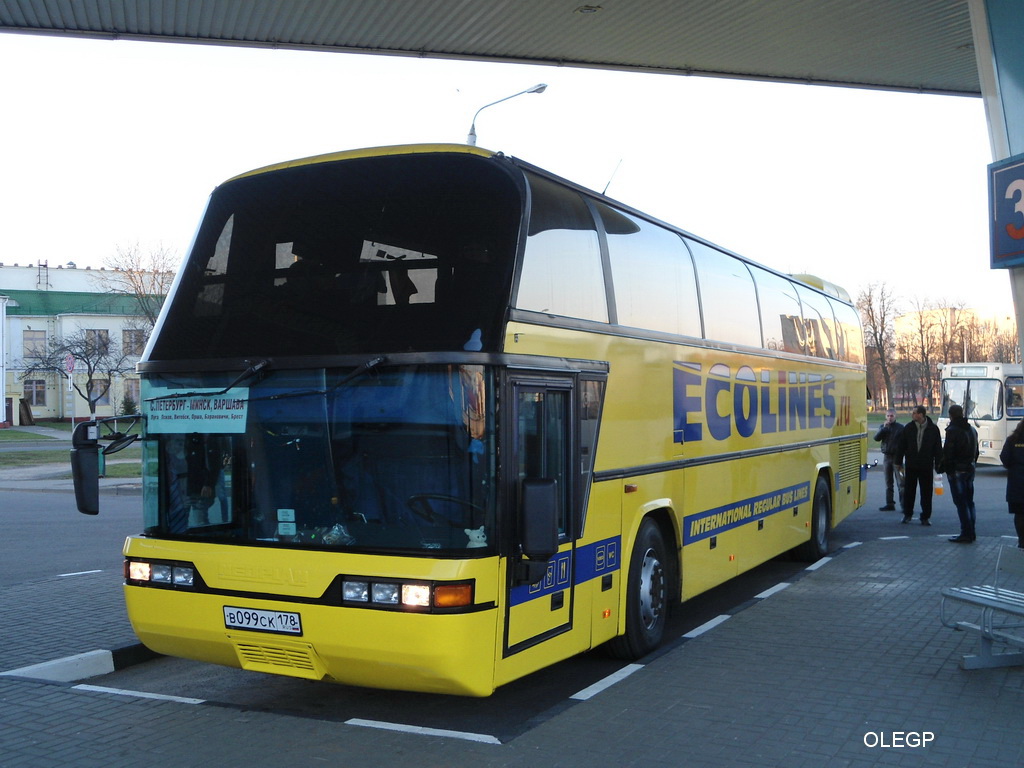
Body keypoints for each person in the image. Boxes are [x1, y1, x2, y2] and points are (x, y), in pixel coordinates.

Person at [894, 404, 943, 525]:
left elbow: (937, 448)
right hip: (911, 465)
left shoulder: (933, 429)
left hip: (926, 465)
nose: (912, 414)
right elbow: (901, 446)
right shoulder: (909, 428)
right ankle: (907, 514)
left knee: (926, 492)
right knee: (909, 491)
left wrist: (938, 464)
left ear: (921, 415)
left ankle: (925, 516)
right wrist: (898, 462)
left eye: (915, 413)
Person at [943, 404, 979, 543]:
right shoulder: (972, 429)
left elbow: (948, 453)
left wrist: (949, 469)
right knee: (969, 502)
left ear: (950, 415)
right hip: (969, 468)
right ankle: (971, 531)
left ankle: (966, 532)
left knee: (961, 503)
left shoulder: (952, 430)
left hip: (957, 470)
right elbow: (975, 451)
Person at [873, 409, 904, 511]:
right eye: (888, 416)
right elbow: (876, 438)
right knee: (888, 482)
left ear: (895, 416)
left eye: (892, 416)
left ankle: (904, 505)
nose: (890, 418)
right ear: (885, 417)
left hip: (897, 458)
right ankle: (890, 503)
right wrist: (883, 429)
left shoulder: (900, 428)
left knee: (901, 483)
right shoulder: (883, 427)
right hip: (887, 457)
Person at [999, 418, 1024, 548]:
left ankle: (1021, 541)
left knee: (1019, 515)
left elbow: (1004, 459)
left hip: (1016, 485)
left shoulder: (1012, 440)